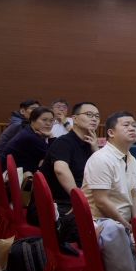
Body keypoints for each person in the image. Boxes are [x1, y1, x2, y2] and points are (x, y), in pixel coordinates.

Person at [27, 102, 100, 246]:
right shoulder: (64, 142)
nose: (94, 119)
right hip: (53, 206)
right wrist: (79, 199)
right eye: (89, 115)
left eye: (97, 116)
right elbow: (60, 169)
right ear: (75, 119)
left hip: (74, 203)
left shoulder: (89, 145)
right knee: (93, 229)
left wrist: (96, 150)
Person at [82, 111, 136, 271]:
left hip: (123, 222)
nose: (132, 128)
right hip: (101, 225)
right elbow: (101, 202)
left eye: (133, 125)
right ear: (110, 132)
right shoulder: (101, 159)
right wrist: (128, 227)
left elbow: (133, 194)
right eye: (126, 125)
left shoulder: (131, 158)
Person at [0, 107, 54, 174]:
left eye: (51, 120)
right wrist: (51, 136)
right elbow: (53, 156)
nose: (48, 123)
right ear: (33, 121)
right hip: (17, 177)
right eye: (44, 120)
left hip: (19, 172)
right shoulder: (30, 136)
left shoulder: (28, 131)